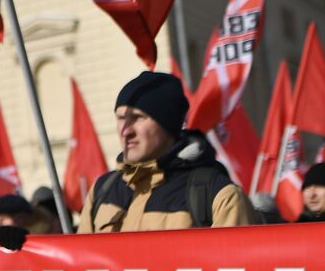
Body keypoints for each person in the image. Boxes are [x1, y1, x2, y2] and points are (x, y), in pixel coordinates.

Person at [78, 71, 255, 232]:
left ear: (167, 124)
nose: (126, 131)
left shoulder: (219, 196)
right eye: (121, 118)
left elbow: (231, 257)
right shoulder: (101, 191)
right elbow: (81, 256)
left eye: (137, 117)